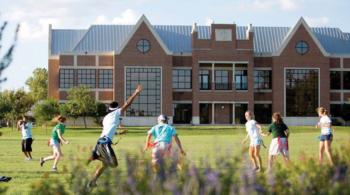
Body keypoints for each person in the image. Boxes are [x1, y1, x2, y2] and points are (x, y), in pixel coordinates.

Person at [87, 85, 142, 188]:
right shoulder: (116, 113)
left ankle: (93, 182)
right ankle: (96, 157)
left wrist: (119, 133)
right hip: (104, 143)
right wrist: (136, 93)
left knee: (106, 165)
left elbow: (108, 130)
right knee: (114, 164)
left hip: (100, 142)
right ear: (116, 109)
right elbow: (127, 104)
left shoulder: (106, 118)